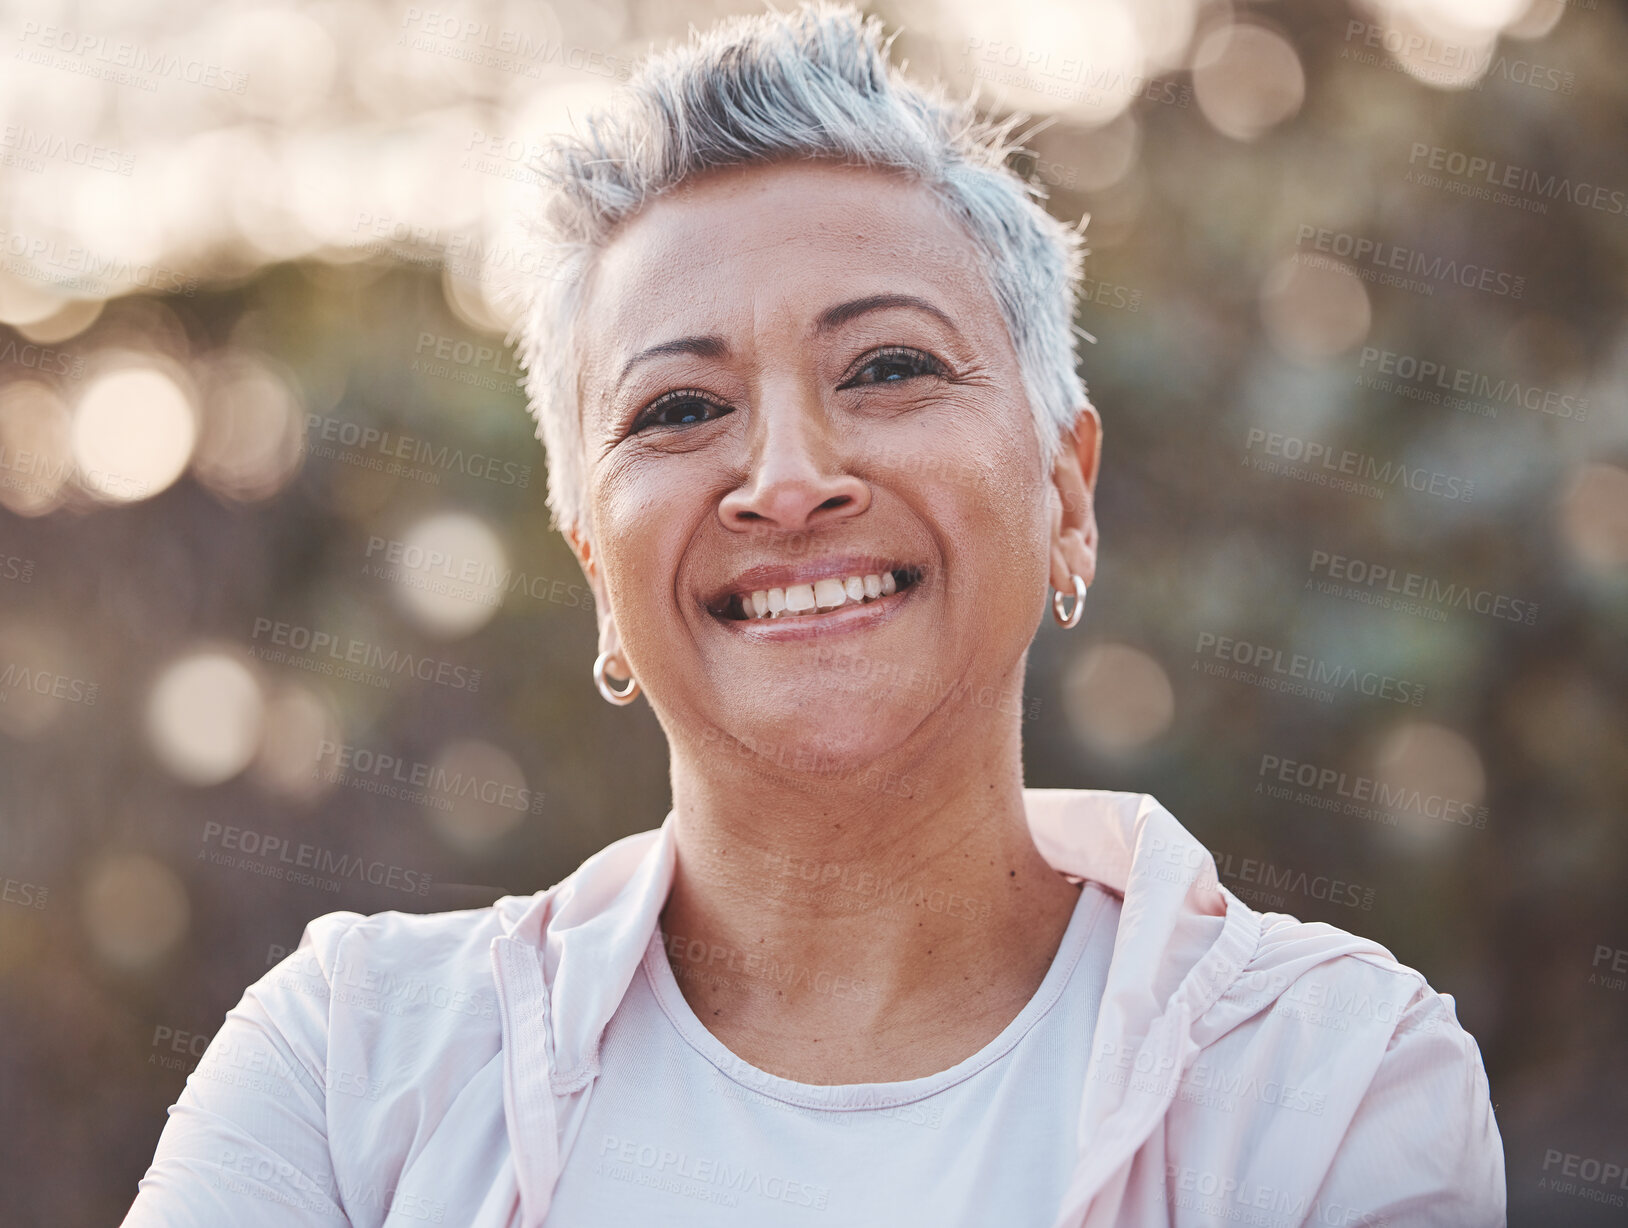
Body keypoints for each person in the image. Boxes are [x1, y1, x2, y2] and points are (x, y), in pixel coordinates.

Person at [123, 5, 1506, 1224]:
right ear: (597, 567)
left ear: (1066, 494)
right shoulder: (352, 1063)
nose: (785, 481)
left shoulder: (1324, 1076)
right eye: (678, 409)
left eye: (889, 367)